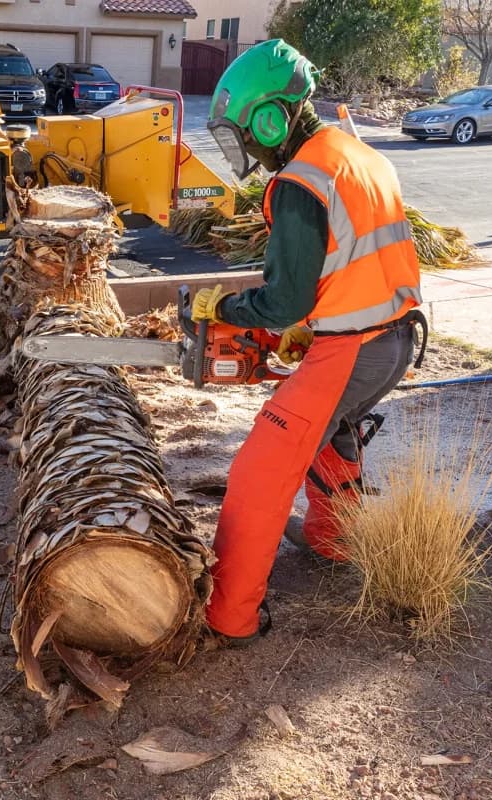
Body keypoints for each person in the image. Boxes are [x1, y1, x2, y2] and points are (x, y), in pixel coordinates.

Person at [195, 39, 426, 642]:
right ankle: (333, 537)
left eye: (246, 133)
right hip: (396, 338)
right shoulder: (357, 154)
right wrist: (309, 324)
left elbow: (285, 299)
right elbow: (346, 264)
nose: (246, 147)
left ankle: (230, 616)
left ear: (271, 118)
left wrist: (229, 307)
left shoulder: (302, 181)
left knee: (260, 469)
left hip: (353, 347)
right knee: (334, 430)